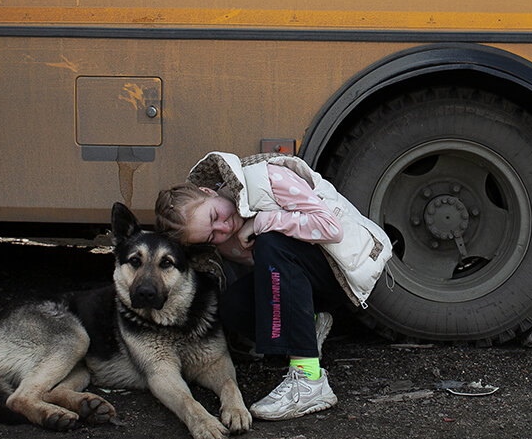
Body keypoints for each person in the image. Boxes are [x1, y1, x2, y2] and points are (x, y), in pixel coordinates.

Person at [155, 151, 392, 421]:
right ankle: (310, 324)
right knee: (232, 304)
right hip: (306, 279)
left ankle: (310, 382)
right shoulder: (225, 229)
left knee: (272, 242)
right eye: (211, 235)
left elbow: (330, 228)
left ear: (208, 191)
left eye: (214, 216)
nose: (223, 228)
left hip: (343, 271)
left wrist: (263, 222)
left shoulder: (266, 179)